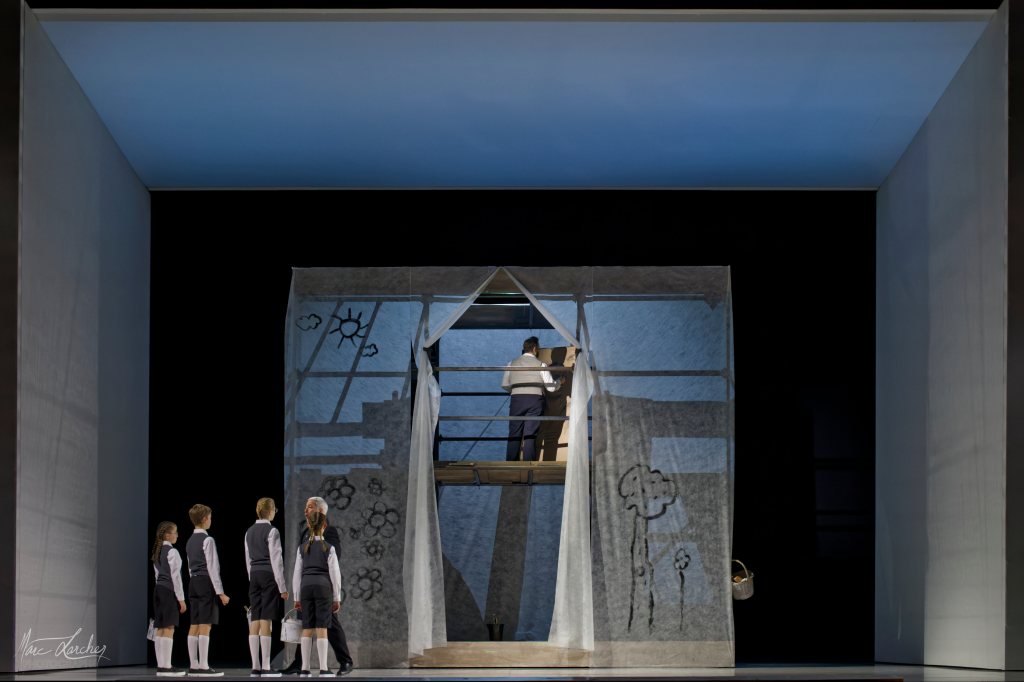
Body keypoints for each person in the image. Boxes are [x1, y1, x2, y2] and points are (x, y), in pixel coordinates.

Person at [281, 497, 354, 676]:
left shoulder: (330, 532)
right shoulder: (305, 532)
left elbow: (334, 560)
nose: (305, 510)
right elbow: (300, 564)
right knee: (305, 624)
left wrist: (333, 594)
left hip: (321, 586)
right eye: (306, 507)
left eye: (310, 507)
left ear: (321, 511)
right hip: (309, 587)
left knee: (327, 625)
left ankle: (345, 661)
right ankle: (301, 664)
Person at [292, 510, 342, 678]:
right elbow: (335, 575)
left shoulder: (302, 548)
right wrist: (337, 598)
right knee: (322, 628)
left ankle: (305, 669)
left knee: (307, 627)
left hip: (306, 587)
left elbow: (296, 574)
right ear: (324, 526)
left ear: (308, 525)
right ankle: (323, 669)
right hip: (323, 588)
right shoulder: (329, 548)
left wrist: (296, 597)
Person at [245, 497, 288, 678]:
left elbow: (247, 558)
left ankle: (255, 666)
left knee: (255, 617)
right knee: (266, 619)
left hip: (254, 575)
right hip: (268, 575)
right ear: (270, 511)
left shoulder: (249, 531)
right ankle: (265, 666)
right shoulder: (272, 531)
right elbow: (276, 560)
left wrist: (252, 578)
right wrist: (282, 587)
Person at [185, 504, 229, 677]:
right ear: (204, 519)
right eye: (210, 518)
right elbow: (213, 567)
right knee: (205, 623)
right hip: (205, 582)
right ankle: (203, 666)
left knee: (194, 623)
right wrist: (220, 592)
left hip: (193, 582)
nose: (211, 520)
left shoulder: (189, 540)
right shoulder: (207, 539)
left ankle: (193, 665)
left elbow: (189, 566)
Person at [501, 336, 560, 461]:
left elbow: (505, 385)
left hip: (516, 400)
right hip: (535, 401)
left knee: (514, 434)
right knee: (530, 435)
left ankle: (510, 464)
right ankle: (528, 466)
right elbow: (551, 388)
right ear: (534, 348)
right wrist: (560, 381)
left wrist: (516, 390)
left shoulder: (511, 363)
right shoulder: (541, 364)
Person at [151, 521, 187, 677]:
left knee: (160, 627)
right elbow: (176, 577)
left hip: (158, 590)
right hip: (168, 591)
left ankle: (161, 666)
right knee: (169, 627)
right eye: (175, 532)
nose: (177, 535)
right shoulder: (172, 552)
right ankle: (166, 667)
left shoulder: (157, 552)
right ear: (167, 535)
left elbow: (157, 575)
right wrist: (181, 599)